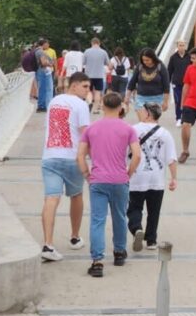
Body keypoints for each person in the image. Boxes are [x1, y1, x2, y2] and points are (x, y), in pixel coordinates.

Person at [77, 92, 141, 278]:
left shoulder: (91, 129)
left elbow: (80, 155)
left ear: (103, 106)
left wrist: (87, 175)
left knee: (98, 220)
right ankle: (119, 252)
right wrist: (128, 173)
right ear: (121, 107)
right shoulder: (128, 129)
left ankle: (97, 262)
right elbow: (137, 155)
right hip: (120, 179)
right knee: (120, 216)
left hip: (98, 179)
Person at [40, 72, 91, 261]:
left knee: (51, 199)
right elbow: (85, 135)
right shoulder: (81, 105)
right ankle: (75, 236)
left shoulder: (54, 101)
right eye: (85, 86)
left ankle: (48, 243)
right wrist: (91, 159)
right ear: (74, 85)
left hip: (50, 156)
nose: (88, 91)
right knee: (76, 196)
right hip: (71, 157)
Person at [128, 103, 177, 252]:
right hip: (157, 178)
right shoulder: (165, 133)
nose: (141, 112)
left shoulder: (133, 130)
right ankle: (151, 240)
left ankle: (137, 228)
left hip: (137, 175)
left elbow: (124, 152)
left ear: (148, 113)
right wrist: (174, 178)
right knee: (154, 210)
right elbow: (171, 158)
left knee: (134, 207)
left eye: (143, 110)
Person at [126, 48, 170, 114]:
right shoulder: (140, 66)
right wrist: (127, 97)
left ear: (153, 58)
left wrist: (165, 102)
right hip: (141, 98)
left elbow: (166, 85)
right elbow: (132, 82)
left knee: (152, 122)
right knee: (143, 121)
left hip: (157, 99)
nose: (145, 62)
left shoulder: (160, 66)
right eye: (143, 60)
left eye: (147, 60)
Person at [83, 38, 111, 114]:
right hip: (99, 75)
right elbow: (108, 64)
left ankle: (89, 103)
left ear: (91, 43)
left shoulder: (87, 51)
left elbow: (83, 62)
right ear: (99, 43)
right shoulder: (103, 52)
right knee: (98, 92)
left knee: (88, 91)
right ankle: (95, 109)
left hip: (88, 75)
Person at [167, 40, 191, 126]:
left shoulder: (189, 57)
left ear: (185, 46)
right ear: (177, 46)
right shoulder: (173, 57)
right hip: (176, 83)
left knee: (187, 100)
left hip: (188, 83)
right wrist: (167, 82)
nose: (181, 47)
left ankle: (186, 117)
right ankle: (178, 118)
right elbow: (169, 70)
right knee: (178, 100)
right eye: (180, 45)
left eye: (183, 45)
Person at [34, 39, 55, 112]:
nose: (48, 45)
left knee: (42, 89)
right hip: (45, 71)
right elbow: (43, 63)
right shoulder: (41, 52)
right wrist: (50, 64)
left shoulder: (36, 51)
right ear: (44, 44)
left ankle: (41, 105)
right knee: (49, 89)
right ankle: (48, 105)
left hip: (39, 71)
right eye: (47, 44)